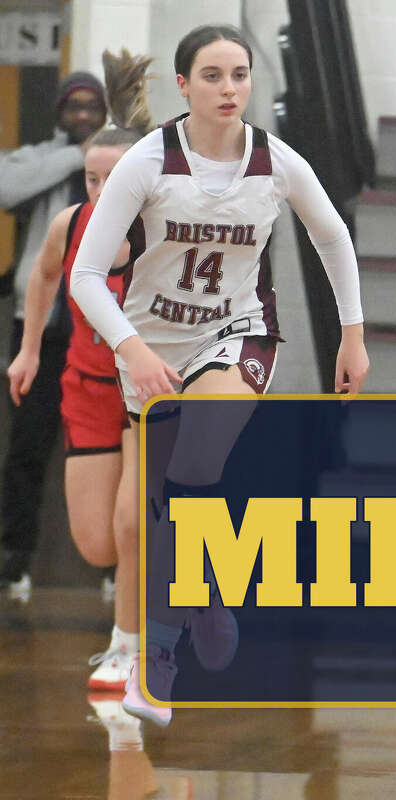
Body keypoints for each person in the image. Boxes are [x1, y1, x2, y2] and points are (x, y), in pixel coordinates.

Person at [68, 24, 369, 726]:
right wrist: (134, 350)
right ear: (183, 86)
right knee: (142, 526)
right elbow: (85, 275)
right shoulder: (148, 162)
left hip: (238, 338)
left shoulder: (277, 161)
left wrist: (352, 332)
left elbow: (332, 235)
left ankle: (159, 666)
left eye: (239, 74)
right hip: (150, 350)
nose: (229, 88)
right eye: (212, 75)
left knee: (192, 469)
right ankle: (204, 586)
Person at [6, 50, 153, 692]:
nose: (98, 193)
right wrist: (31, 349)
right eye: (91, 180)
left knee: (132, 520)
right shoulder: (71, 224)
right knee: (97, 544)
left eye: (111, 180)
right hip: (86, 388)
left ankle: (135, 645)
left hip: (149, 394)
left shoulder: (166, 232)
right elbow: (40, 279)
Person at [0, 70, 107, 599]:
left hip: (104, 325)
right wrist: (77, 154)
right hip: (39, 324)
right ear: (61, 111)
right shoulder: (39, 158)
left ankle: (115, 566)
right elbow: (6, 187)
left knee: (106, 448)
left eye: (93, 106)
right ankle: (14, 559)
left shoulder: (118, 166)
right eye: (74, 106)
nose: (83, 114)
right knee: (27, 444)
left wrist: (99, 158)